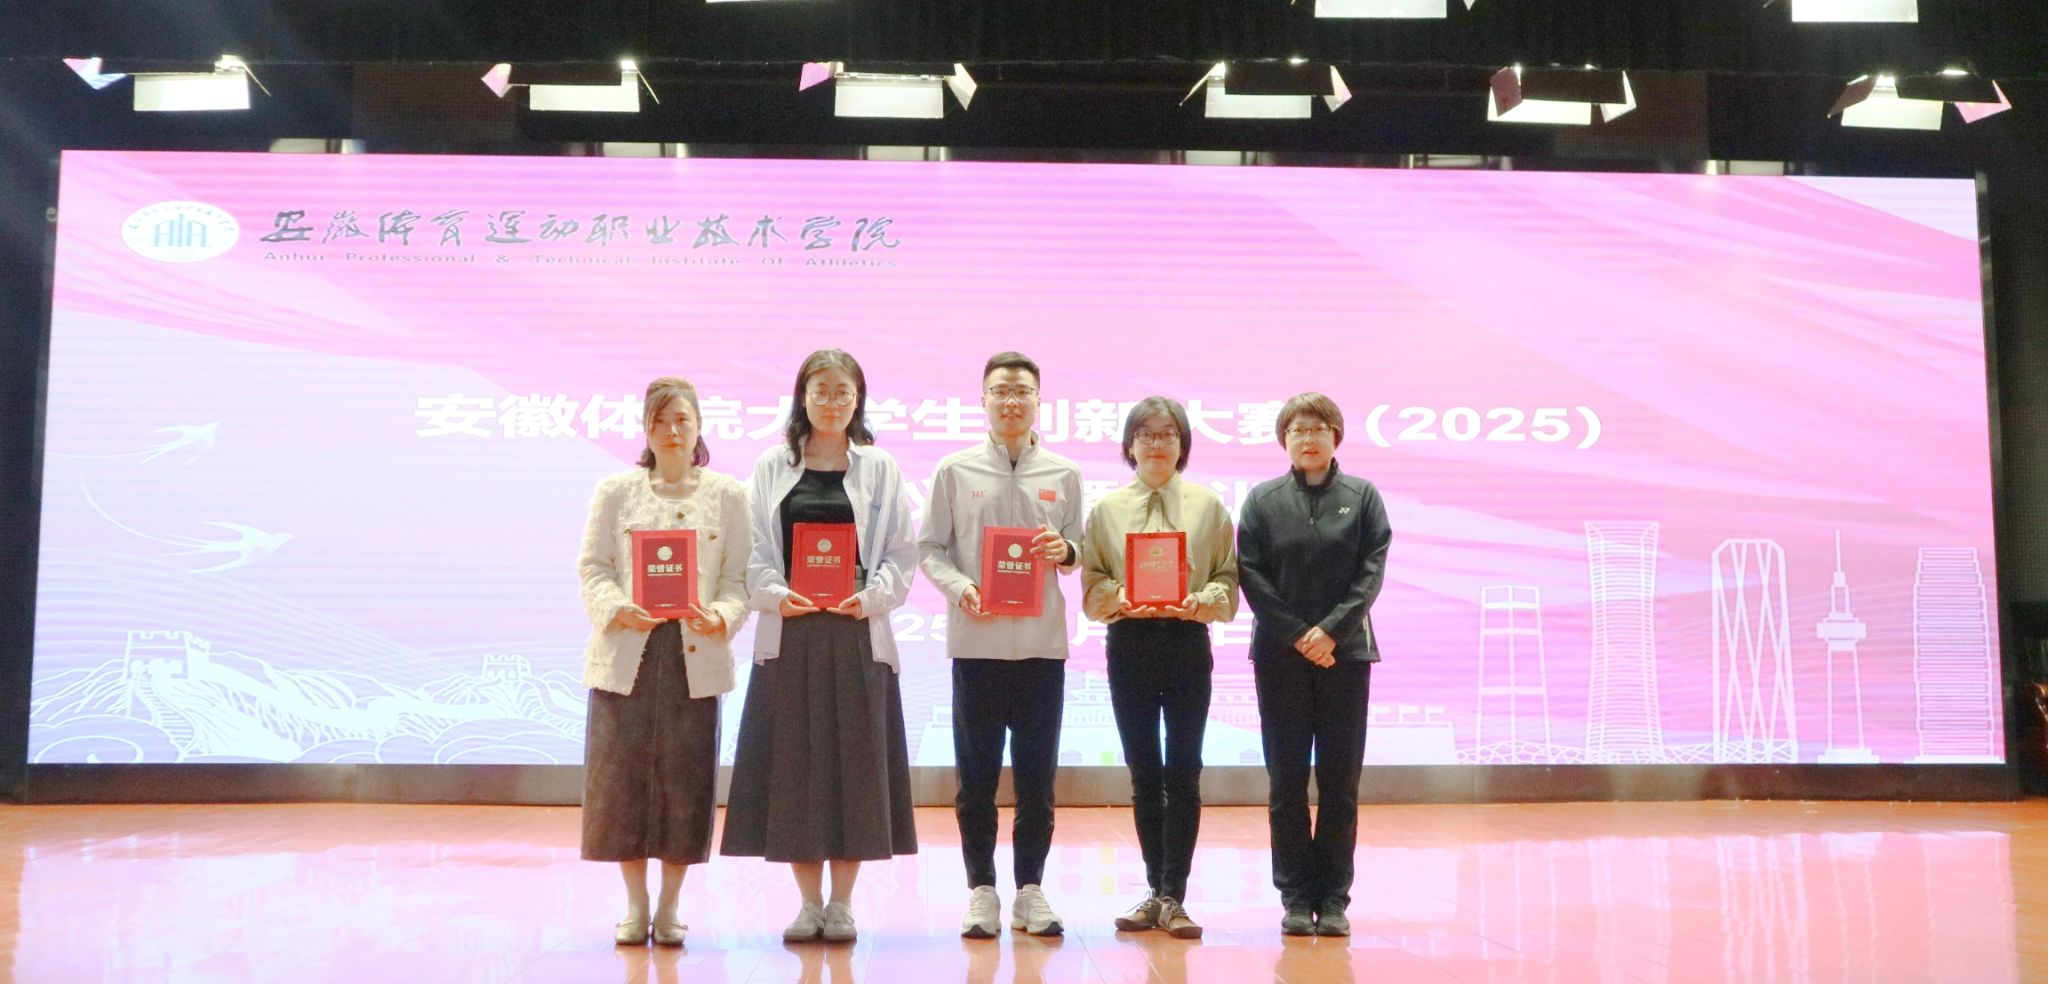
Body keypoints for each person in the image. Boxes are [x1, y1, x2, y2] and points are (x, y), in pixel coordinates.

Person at [720, 349, 920, 943]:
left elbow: (901, 552)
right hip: (792, 633)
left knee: (855, 771)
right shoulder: (771, 465)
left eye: (843, 392)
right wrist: (777, 594)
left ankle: (843, 904)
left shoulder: (879, 467)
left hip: (858, 632)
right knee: (796, 773)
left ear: (858, 399)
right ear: (801, 397)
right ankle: (808, 904)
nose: (832, 402)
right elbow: (753, 549)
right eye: (821, 391)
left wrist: (872, 596)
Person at [576, 376, 751, 947]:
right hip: (627, 654)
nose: (672, 430)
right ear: (646, 430)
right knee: (621, 784)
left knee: (686, 784)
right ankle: (635, 905)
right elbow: (594, 568)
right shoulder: (616, 491)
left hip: (692, 657)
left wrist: (720, 615)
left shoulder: (728, 495)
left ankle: (671, 906)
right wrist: (616, 607)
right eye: (660, 420)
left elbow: (738, 579)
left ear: (699, 426)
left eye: (682, 419)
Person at [916, 352, 1085, 939]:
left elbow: (1080, 548)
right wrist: (960, 587)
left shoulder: (1064, 473)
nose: (1011, 401)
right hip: (977, 645)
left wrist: (1066, 551)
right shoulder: (954, 470)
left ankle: (1030, 890)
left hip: (1041, 648)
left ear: (1039, 400)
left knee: (1037, 780)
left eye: (1022, 391)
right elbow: (929, 548)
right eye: (1000, 391)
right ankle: (982, 890)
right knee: (977, 780)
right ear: (983, 399)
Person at [1078, 396, 1239, 940]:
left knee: (1184, 769)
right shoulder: (1106, 509)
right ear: (1129, 445)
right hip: (1130, 644)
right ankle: (1155, 890)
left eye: (1168, 434)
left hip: (1187, 643)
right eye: (1145, 434)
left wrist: (1201, 601)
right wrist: (1120, 597)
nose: (1156, 444)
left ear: (1183, 444)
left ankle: (1176, 895)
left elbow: (1228, 580)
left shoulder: (1208, 507)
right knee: (1144, 771)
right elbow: (1092, 584)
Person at [1236, 392, 1391, 938]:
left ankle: (1334, 897)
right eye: (1297, 430)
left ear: (1335, 436)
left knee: (1339, 782)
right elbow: (1251, 574)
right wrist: (1299, 634)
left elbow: (1371, 572)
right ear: (1284, 439)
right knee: (1286, 782)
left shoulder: (1363, 497)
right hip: (1279, 657)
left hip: (1345, 656)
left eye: (1318, 428)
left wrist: (1331, 632)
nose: (1308, 438)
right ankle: (1296, 897)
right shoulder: (1262, 500)